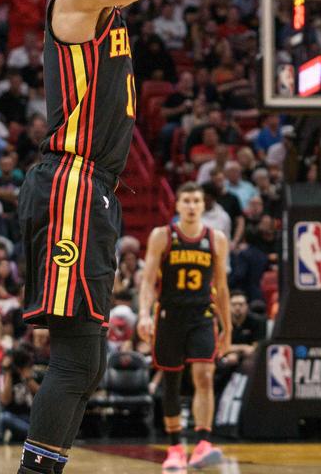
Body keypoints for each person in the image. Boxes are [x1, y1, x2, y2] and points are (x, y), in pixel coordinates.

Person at [14, 0, 219, 474]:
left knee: (87, 357)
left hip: (89, 185)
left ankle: (46, 466)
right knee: (77, 356)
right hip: (71, 182)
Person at [137, 183, 232, 471]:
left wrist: (227, 327)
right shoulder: (162, 236)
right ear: (177, 205)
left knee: (204, 374)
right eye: (186, 201)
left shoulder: (216, 239)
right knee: (172, 381)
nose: (191, 206)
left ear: (203, 206)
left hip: (202, 315)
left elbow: (222, 287)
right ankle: (176, 447)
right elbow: (148, 279)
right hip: (169, 315)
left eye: (196, 201)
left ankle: (203, 443)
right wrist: (143, 314)